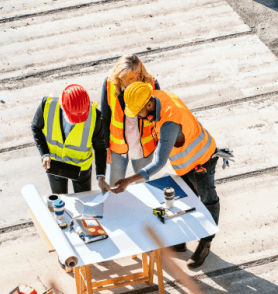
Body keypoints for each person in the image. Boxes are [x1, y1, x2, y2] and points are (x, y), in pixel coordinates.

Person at [112, 82, 220, 269]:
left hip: (202, 158)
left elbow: (159, 163)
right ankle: (181, 239)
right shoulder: (157, 96)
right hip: (185, 162)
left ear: (148, 104)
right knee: (186, 199)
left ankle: (206, 242)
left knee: (208, 200)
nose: (138, 115)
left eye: (138, 111)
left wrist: (128, 181)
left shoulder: (169, 123)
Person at [31, 84, 110, 195]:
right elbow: (36, 127)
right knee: (60, 200)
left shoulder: (95, 116)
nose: (77, 121)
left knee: (84, 201)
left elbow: (100, 147)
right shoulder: (47, 105)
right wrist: (44, 154)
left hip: (81, 169)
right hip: (55, 165)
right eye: (73, 116)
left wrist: (101, 177)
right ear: (62, 105)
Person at [101, 54, 160, 186]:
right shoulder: (109, 85)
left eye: (138, 77)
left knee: (144, 186)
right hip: (118, 147)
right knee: (114, 185)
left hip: (143, 146)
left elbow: (159, 115)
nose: (135, 81)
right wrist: (106, 148)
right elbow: (105, 117)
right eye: (130, 79)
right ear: (120, 77)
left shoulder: (152, 84)